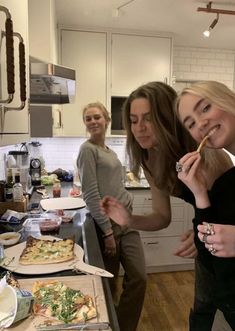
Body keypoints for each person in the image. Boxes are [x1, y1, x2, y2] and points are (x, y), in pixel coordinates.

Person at [100, 81, 233, 331]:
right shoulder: (150, 158)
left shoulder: (208, 153)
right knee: (203, 307)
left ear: (166, 118)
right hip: (209, 239)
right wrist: (129, 220)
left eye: (148, 118)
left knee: (225, 304)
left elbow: (230, 208)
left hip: (225, 244)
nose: (139, 128)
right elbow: (162, 217)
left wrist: (203, 232)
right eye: (134, 120)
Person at [77, 102, 147, 331]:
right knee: (109, 283)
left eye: (97, 117)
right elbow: (90, 192)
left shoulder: (109, 151)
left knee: (139, 278)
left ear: (106, 120)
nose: (93, 121)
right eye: (88, 118)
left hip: (127, 222)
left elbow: (115, 184)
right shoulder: (87, 150)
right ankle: (112, 326)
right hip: (109, 227)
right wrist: (107, 231)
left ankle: (124, 326)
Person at [175, 80, 235, 329]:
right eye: (190, 123)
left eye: (205, 108)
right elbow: (209, 255)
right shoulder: (226, 184)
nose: (200, 124)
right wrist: (200, 193)